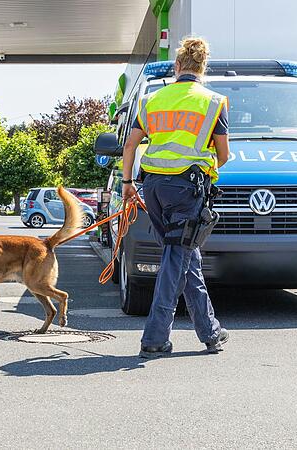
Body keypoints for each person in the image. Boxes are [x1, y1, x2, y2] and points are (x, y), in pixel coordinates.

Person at [121, 37, 230, 358]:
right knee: (176, 255)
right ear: (202, 69)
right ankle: (155, 336)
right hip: (188, 189)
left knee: (184, 254)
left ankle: (210, 332)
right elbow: (223, 155)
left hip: (152, 187)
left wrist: (127, 182)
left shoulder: (153, 99)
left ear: (178, 67)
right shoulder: (213, 102)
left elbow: (130, 145)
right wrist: (203, 162)